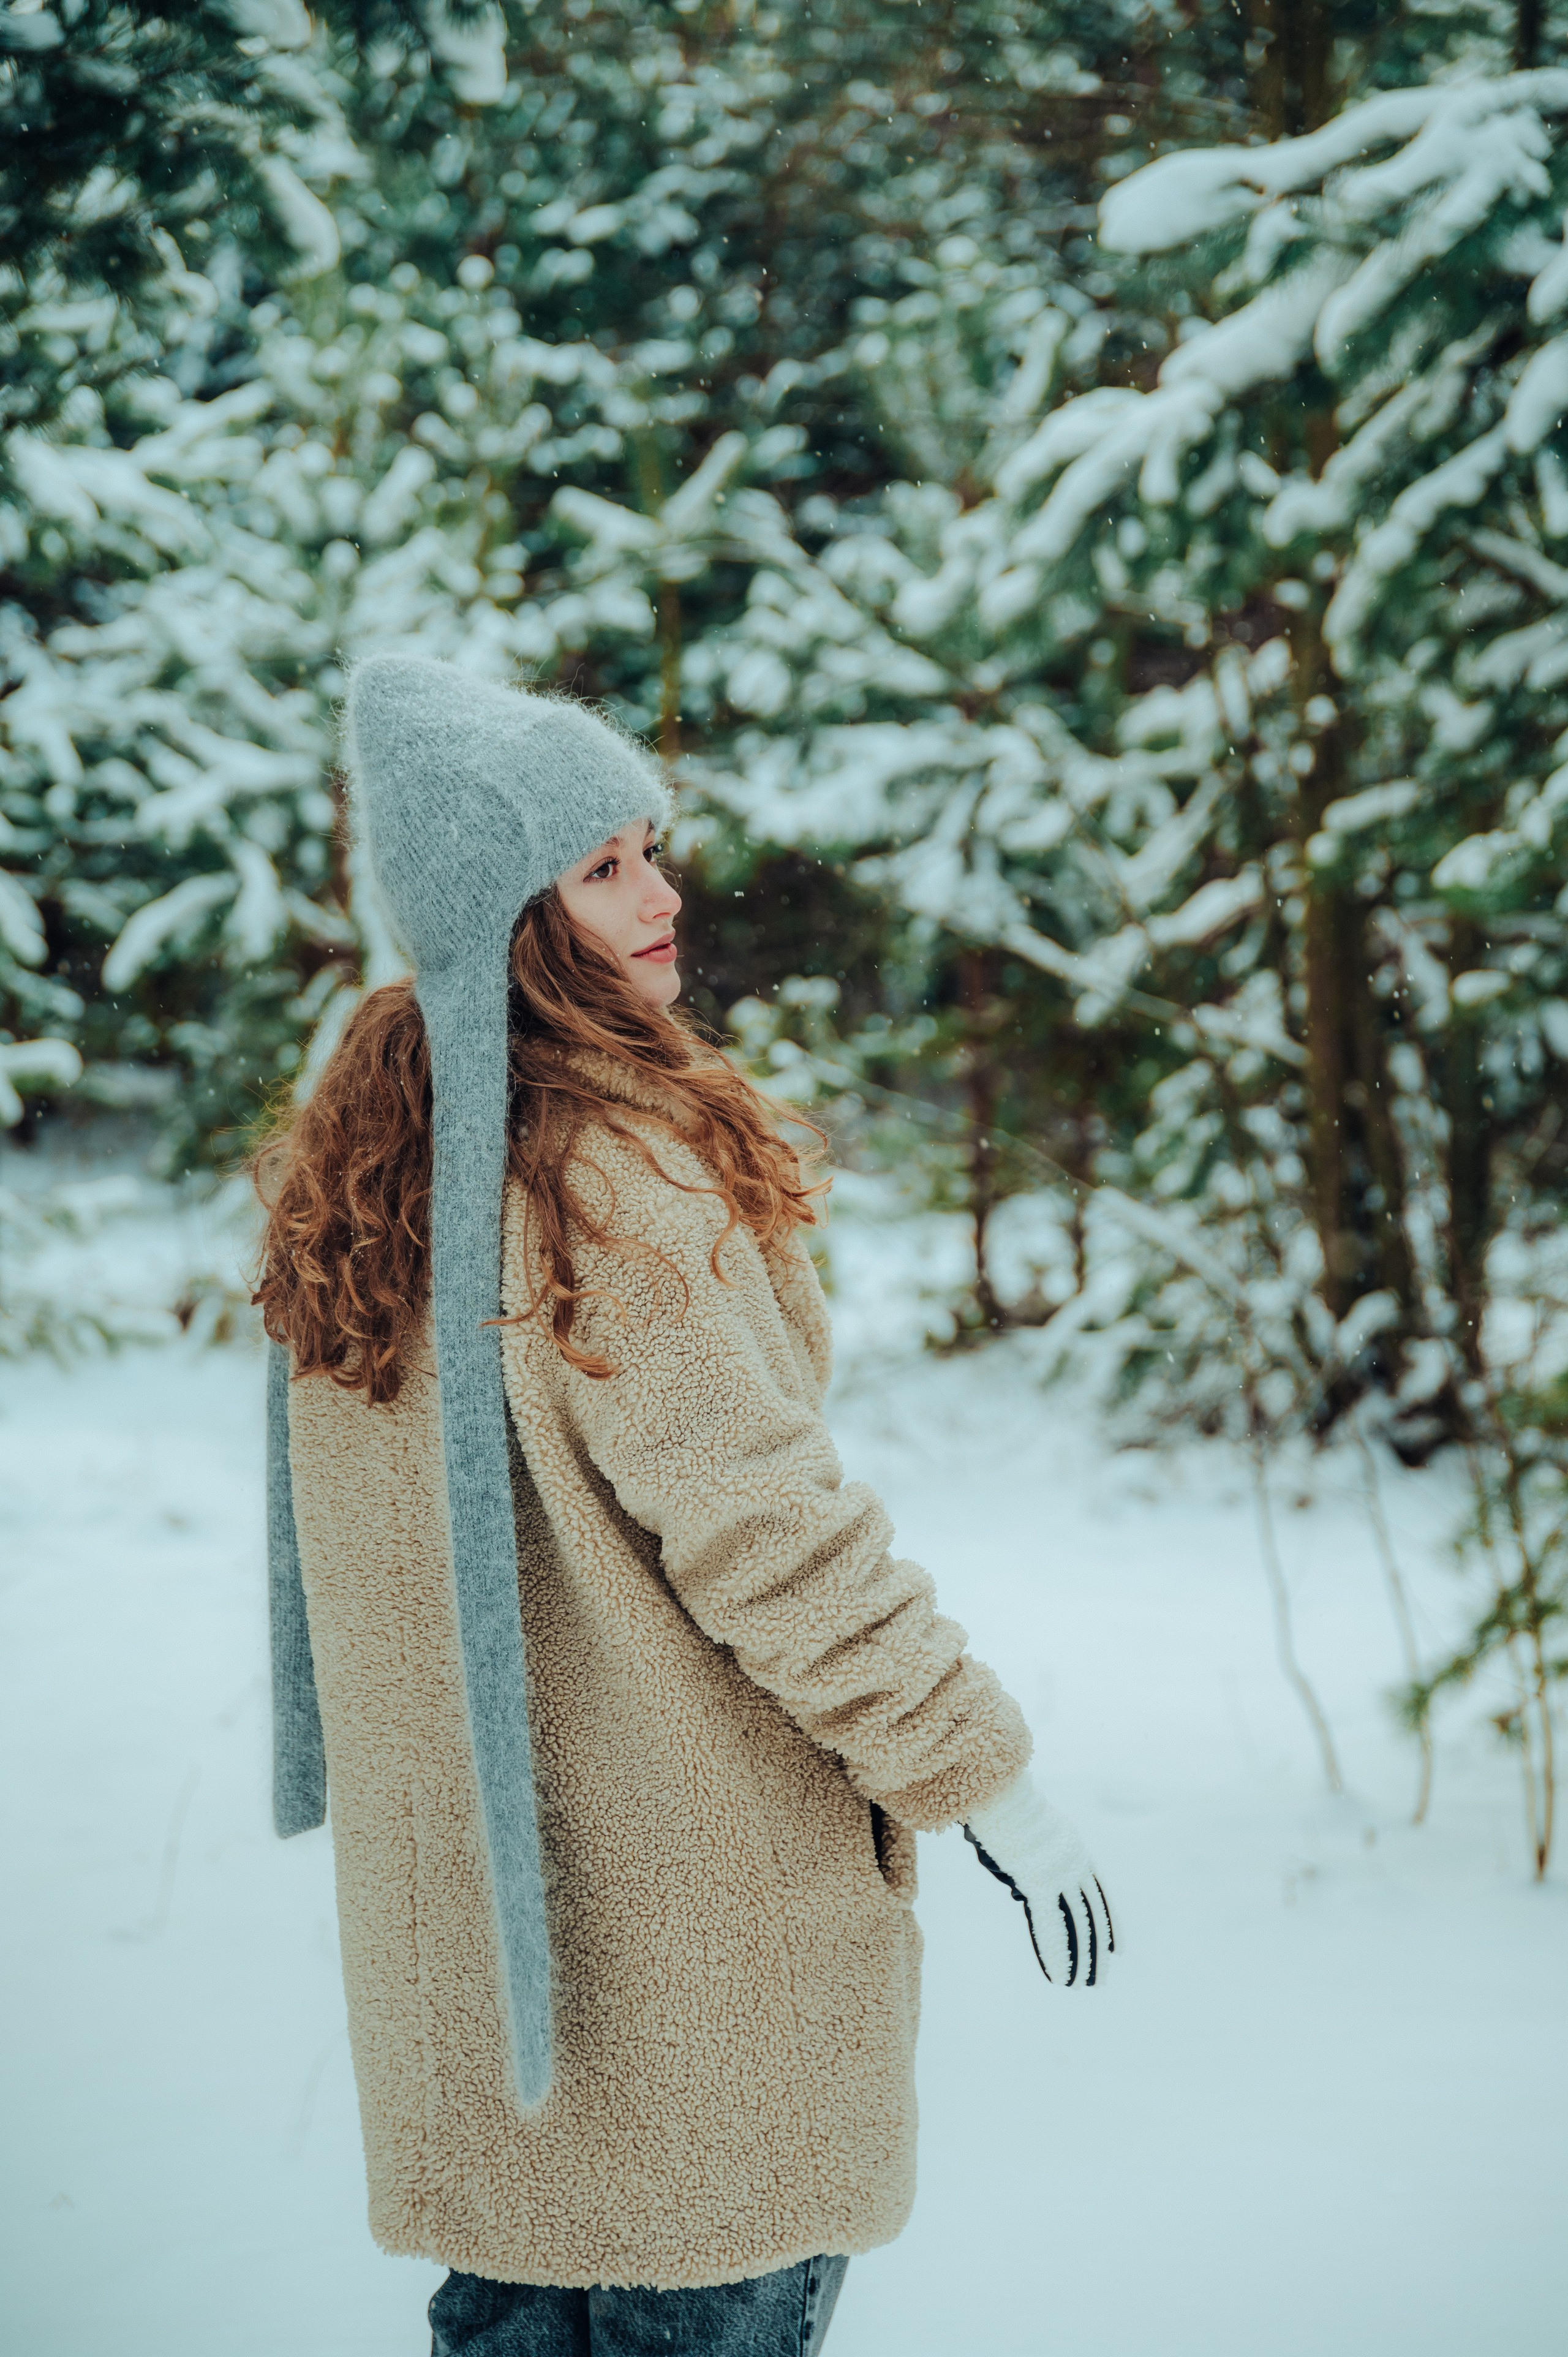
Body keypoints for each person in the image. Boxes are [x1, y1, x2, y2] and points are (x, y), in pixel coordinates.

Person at [254, 655, 1114, 2357]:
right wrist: (985, 1779)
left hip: (492, 2027)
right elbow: (776, 1535)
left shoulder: (378, 1173)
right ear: (509, 912)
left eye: (652, 848)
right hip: (693, 2018)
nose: (662, 894)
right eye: (601, 867)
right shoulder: (605, 1170)